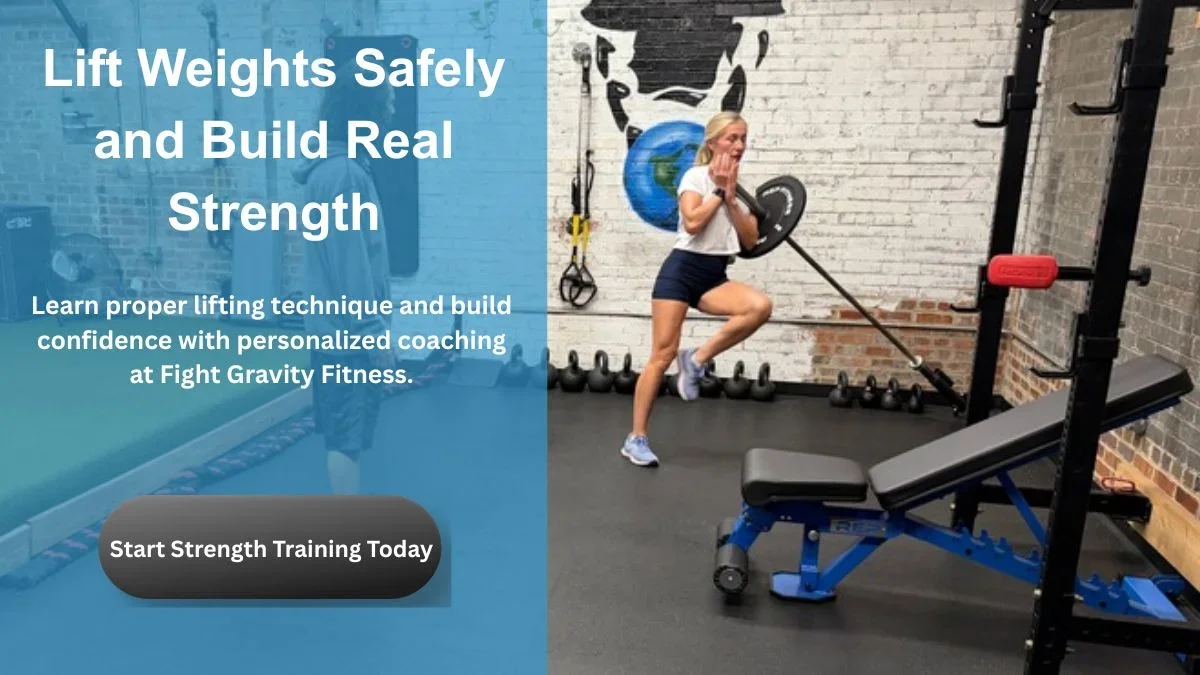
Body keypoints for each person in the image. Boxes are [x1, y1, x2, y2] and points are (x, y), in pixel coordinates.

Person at [620, 111, 773, 467]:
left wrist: (733, 197)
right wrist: (719, 191)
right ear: (713, 141)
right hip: (681, 272)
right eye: (731, 138)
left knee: (759, 307)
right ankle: (636, 438)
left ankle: (697, 359)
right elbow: (690, 223)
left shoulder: (738, 187)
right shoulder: (695, 177)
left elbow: (750, 242)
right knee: (661, 354)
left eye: (743, 139)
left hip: (714, 274)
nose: (738, 146)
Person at [293, 64, 397, 494]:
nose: (390, 112)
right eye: (385, 104)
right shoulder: (346, 177)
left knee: (343, 435)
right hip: (348, 337)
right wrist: (375, 338)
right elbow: (351, 266)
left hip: (331, 331)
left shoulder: (327, 172)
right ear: (366, 114)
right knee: (346, 440)